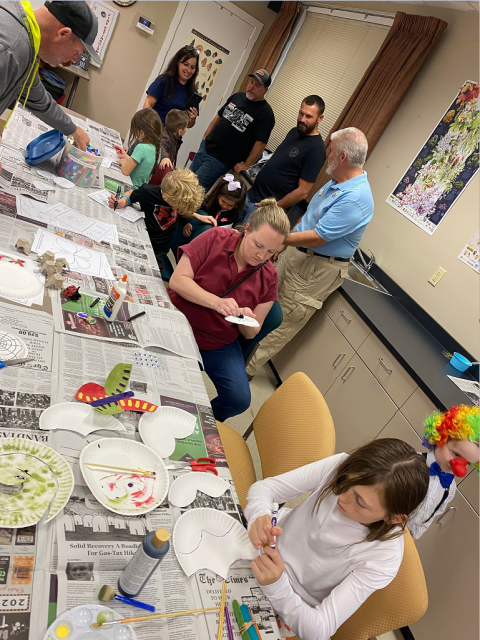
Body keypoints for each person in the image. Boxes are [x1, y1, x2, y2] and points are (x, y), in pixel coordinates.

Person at [245, 438, 429, 640]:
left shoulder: (383, 556)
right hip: (256, 551)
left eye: (360, 501)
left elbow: (320, 630)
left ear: (393, 518)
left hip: (288, 603)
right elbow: (265, 489)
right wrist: (259, 515)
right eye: (344, 481)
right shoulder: (342, 465)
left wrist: (277, 586)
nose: (342, 496)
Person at [246, 127, 373, 378]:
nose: (328, 154)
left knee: (284, 317)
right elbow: (310, 218)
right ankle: (241, 347)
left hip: (317, 267)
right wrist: (285, 243)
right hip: (297, 252)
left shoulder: (356, 198)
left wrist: (277, 238)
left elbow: (318, 238)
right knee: (265, 298)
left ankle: (246, 368)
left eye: (331, 149)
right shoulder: (336, 183)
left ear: (343, 157)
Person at [168, 200, 290, 421]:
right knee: (170, 377)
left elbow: (252, 332)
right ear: (247, 229)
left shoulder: (269, 277)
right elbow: (178, 280)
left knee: (239, 400)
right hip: (179, 320)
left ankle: (199, 422)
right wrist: (216, 302)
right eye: (258, 245)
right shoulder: (215, 238)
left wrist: (243, 318)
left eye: (271, 252)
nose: (261, 257)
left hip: (217, 341)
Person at [0, 1, 101, 152]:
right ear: (63, 34)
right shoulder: (11, 49)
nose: (74, 60)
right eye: (77, 52)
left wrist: (73, 129)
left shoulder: (28, 38)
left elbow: (37, 97)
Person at [241, 96, 326, 223]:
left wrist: (273, 208)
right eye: (301, 113)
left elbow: (303, 192)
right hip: (252, 194)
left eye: (308, 116)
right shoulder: (294, 132)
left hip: (266, 210)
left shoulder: (316, 149)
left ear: (320, 118)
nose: (302, 119)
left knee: (245, 241)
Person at [190, 69, 275, 191]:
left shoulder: (266, 113)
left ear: (265, 90)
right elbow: (219, 116)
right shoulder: (237, 96)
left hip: (220, 160)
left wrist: (246, 165)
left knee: (194, 189)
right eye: (251, 82)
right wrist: (205, 137)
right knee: (186, 180)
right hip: (206, 147)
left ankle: (184, 210)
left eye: (257, 85)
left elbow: (260, 143)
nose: (251, 87)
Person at [108, 169, 204, 271]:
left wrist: (196, 217)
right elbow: (131, 194)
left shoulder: (177, 199)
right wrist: (123, 201)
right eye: (176, 207)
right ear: (165, 197)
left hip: (159, 251)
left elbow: (181, 212)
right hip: (142, 240)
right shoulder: (148, 192)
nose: (178, 209)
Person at [408, 405, 479, 539]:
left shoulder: (449, 489)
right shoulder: (408, 464)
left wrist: (413, 537)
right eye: (456, 454)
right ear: (441, 438)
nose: (458, 465)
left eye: (467, 463)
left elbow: (429, 517)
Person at [143, 45, 199, 127]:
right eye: (185, 64)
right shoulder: (164, 80)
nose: (189, 70)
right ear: (177, 62)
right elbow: (148, 104)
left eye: (192, 67)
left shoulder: (192, 92)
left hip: (172, 138)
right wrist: (146, 127)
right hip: (154, 131)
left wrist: (193, 119)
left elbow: (189, 125)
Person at [182, 172, 247, 241]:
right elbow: (184, 211)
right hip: (194, 235)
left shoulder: (235, 213)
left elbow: (238, 225)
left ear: (237, 205)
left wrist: (236, 231)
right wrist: (186, 223)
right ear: (218, 194)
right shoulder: (206, 202)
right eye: (223, 201)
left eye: (230, 205)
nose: (225, 206)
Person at [116, 109, 163, 189]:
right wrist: (125, 156)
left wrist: (123, 163)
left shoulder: (141, 148)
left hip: (129, 188)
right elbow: (140, 164)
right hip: (139, 191)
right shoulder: (157, 149)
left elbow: (125, 171)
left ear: (142, 133)